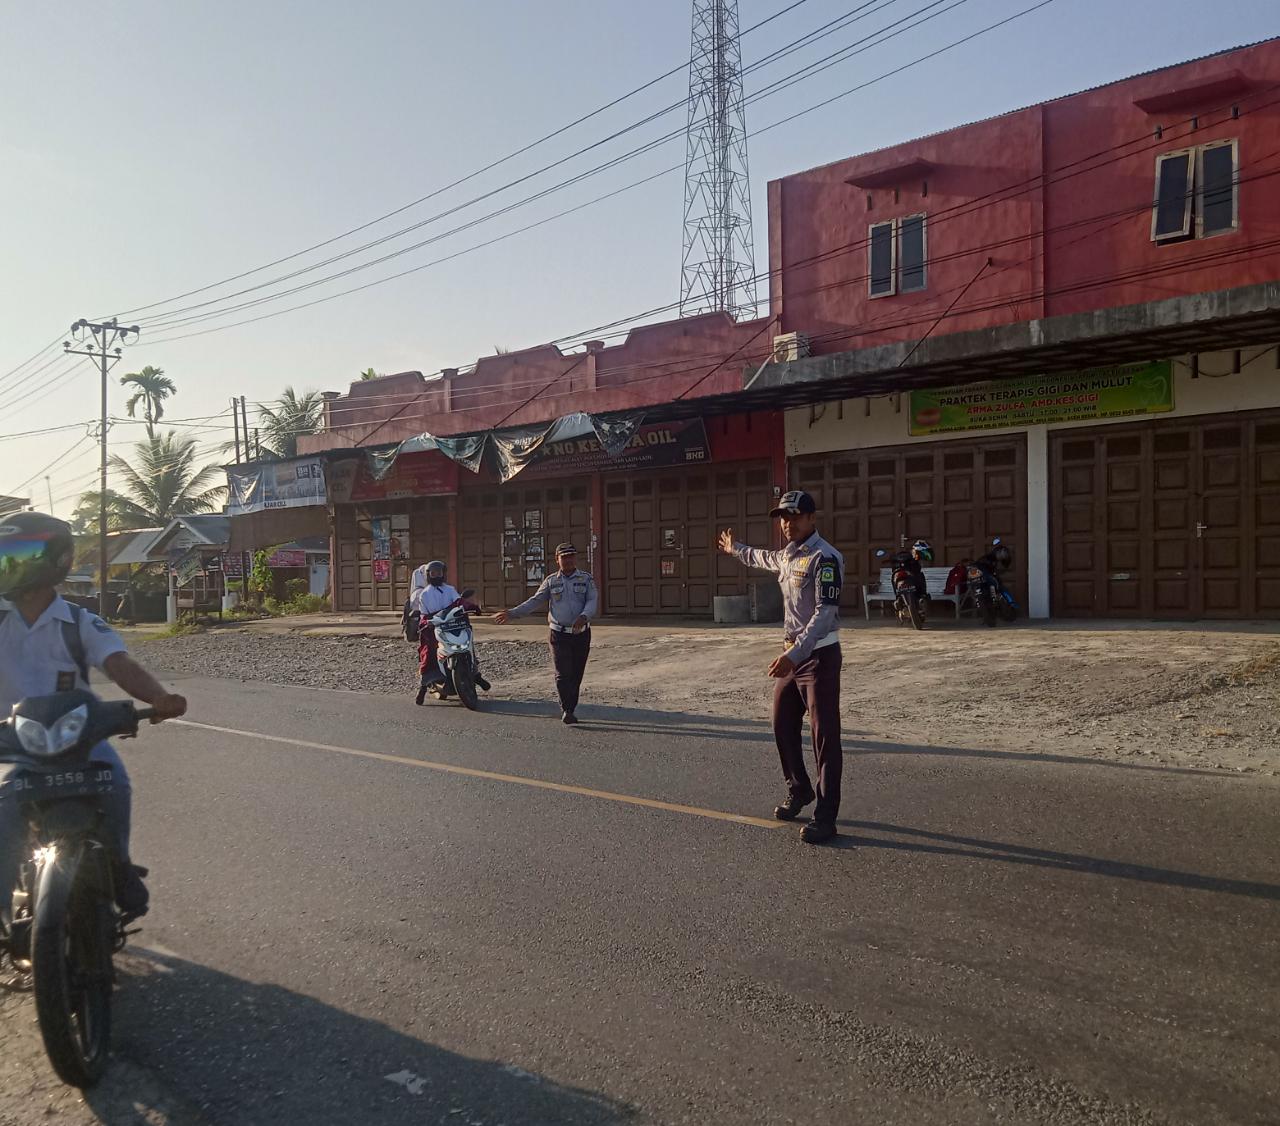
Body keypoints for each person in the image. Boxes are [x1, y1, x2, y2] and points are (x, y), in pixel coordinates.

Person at [0, 512, 187, 927]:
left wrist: (159, 697)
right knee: (5, 807)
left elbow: (118, 663)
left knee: (115, 782)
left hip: (77, 739)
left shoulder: (80, 621)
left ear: (56, 560)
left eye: (19, 555)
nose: (9, 565)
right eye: (4, 555)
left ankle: (118, 866)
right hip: (11, 743)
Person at [719, 490, 845, 845]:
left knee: (824, 738)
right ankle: (800, 789)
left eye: (794, 516)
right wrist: (736, 549)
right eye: (783, 517)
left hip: (818, 657)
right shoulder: (789, 556)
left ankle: (826, 816)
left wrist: (796, 654)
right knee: (781, 724)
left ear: (812, 518)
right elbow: (764, 557)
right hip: (793, 658)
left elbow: (825, 614)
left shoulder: (826, 558)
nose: (788, 523)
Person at [493, 544, 596, 725]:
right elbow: (534, 601)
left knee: (576, 674)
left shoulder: (586, 579)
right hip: (558, 634)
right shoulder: (551, 581)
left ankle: (571, 705)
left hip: (581, 634)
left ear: (576, 558)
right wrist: (512, 613)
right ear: (557, 560)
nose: (568, 560)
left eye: (571, 556)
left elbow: (592, 600)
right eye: (564, 557)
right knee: (562, 674)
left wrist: (584, 616)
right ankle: (567, 710)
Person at [409, 559, 484, 705]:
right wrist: (426, 623)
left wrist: (473, 607)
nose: (436, 575)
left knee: (468, 643)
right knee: (428, 652)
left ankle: (475, 673)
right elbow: (425, 615)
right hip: (436, 627)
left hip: (453, 624)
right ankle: (423, 687)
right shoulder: (425, 594)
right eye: (433, 573)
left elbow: (458, 602)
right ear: (428, 575)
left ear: (443, 574)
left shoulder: (449, 589)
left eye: (439, 573)